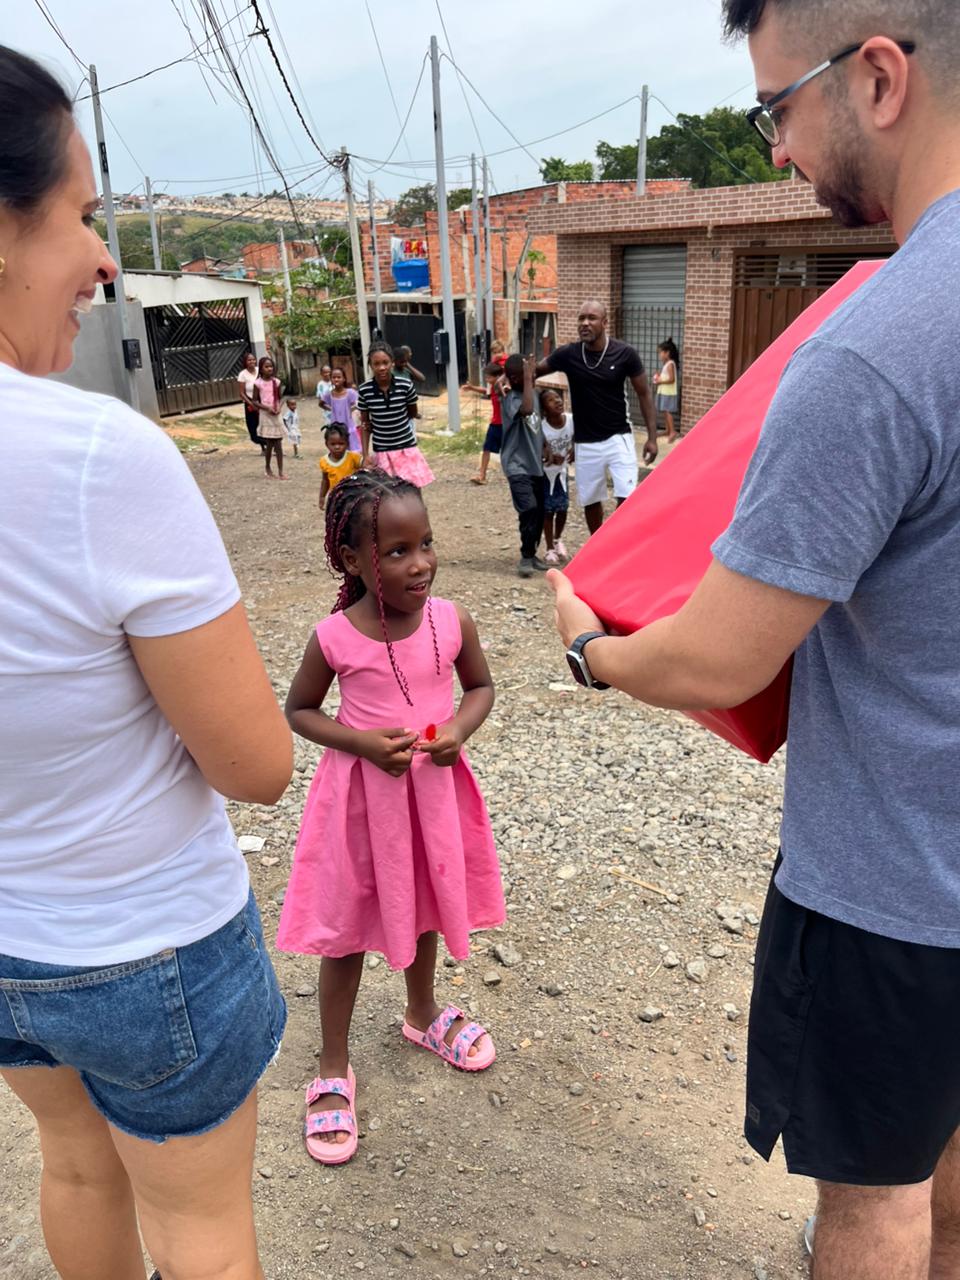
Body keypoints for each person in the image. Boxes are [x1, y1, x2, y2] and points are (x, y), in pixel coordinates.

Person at [552, 1, 960, 1274]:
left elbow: (723, 654)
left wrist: (591, 646)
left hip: (897, 889)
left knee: (876, 1200)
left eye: (776, 107)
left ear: (879, 78)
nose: (775, 148)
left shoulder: (878, 347)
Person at [0, 44, 292, 1280]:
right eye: (79, 213)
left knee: (73, 1167)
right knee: (200, 1221)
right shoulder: (95, 458)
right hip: (146, 937)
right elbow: (257, 761)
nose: (104, 259)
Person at [277, 468, 504, 1166]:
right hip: (360, 804)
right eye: (397, 551)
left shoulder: (451, 620)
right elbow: (300, 711)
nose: (421, 563)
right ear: (353, 560)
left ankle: (422, 1014)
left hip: (430, 795)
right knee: (345, 931)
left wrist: (459, 731)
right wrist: (363, 744)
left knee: (428, 906)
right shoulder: (335, 637)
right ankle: (333, 1063)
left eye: (426, 543)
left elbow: (481, 687)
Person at [536, 300, 657, 535]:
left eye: (591, 318)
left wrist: (652, 437)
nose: (585, 323)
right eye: (581, 318)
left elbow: (644, 394)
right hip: (585, 443)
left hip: (618, 438)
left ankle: (621, 543)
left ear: (604, 322)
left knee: (627, 497)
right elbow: (533, 372)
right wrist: (511, 379)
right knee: (590, 500)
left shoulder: (625, 353)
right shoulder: (568, 354)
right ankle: (597, 545)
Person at [357, 342, 435, 487]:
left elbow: (412, 412)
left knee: (411, 490)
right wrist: (365, 455)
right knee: (386, 494)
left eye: (385, 362)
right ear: (370, 365)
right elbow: (365, 425)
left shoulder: (405, 386)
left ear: (392, 363)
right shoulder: (364, 391)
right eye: (376, 364)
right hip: (382, 451)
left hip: (406, 448)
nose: (382, 367)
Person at [499, 354, 547, 578]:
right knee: (528, 508)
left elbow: (536, 423)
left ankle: (532, 552)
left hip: (535, 464)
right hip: (517, 465)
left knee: (539, 510)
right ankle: (525, 557)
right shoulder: (511, 399)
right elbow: (526, 411)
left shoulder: (534, 395)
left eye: (533, 373)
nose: (532, 377)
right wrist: (528, 381)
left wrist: (546, 446)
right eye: (527, 375)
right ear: (514, 378)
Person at [540, 386, 574, 563]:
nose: (558, 401)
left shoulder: (570, 420)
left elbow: (580, 433)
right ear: (544, 409)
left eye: (558, 398)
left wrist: (575, 447)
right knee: (548, 511)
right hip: (546, 475)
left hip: (562, 473)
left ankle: (557, 538)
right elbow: (539, 450)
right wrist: (550, 457)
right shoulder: (542, 428)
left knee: (563, 508)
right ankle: (549, 548)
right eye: (551, 400)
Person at [470, 342, 508, 486]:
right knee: (487, 447)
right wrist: (472, 388)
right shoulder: (493, 378)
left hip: (505, 422)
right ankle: (482, 475)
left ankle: (512, 476)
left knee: (507, 451)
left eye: (498, 351)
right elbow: (486, 391)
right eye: (494, 352)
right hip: (496, 421)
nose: (497, 355)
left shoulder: (506, 371)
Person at [253, 356, 286, 480]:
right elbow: (254, 401)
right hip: (266, 415)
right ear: (261, 369)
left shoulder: (276, 382)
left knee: (278, 443)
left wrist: (279, 408)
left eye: (271, 366)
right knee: (270, 443)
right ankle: (267, 467)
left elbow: (280, 398)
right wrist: (267, 408)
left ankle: (281, 471)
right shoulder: (258, 383)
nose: (269, 369)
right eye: (266, 367)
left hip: (276, 414)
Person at [317, 423, 362, 509]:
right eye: (333, 444)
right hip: (335, 498)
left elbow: (365, 466)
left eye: (341, 444)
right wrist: (322, 497)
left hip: (352, 496)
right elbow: (325, 481)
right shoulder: (324, 461)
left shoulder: (353, 457)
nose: (337, 447)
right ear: (327, 444)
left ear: (347, 443)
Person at [321, 365, 361, 453]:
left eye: (339, 377)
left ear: (344, 379)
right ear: (331, 379)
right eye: (333, 377)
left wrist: (351, 409)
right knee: (338, 449)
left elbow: (359, 403)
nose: (336, 379)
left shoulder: (350, 393)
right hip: (335, 426)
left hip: (348, 424)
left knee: (353, 450)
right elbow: (321, 403)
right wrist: (331, 409)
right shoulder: (329, 394)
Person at [653, 339, 680, 443]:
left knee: (668, 411)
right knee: (665, 410)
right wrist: (660, 376)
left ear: (667, 353)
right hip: (664, 391)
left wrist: (660, 381)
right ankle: (667, 430)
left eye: (661, 352)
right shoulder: (667, 364)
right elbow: (667, 376)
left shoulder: (670, 364)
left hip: (668, 392)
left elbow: (672, 379)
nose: (660, 355)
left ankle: (672, 431)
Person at [238, 350, 263, 452]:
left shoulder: (260, 370)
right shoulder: (242, 374)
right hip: (250, 403)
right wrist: (251, 404)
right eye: (249, 360)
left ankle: (271, 445)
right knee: (254, 426)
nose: (252, 361)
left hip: (262, 402)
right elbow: (241, 393)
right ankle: (263, 447)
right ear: (245, 362)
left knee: (264, 424)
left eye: (253, 359)